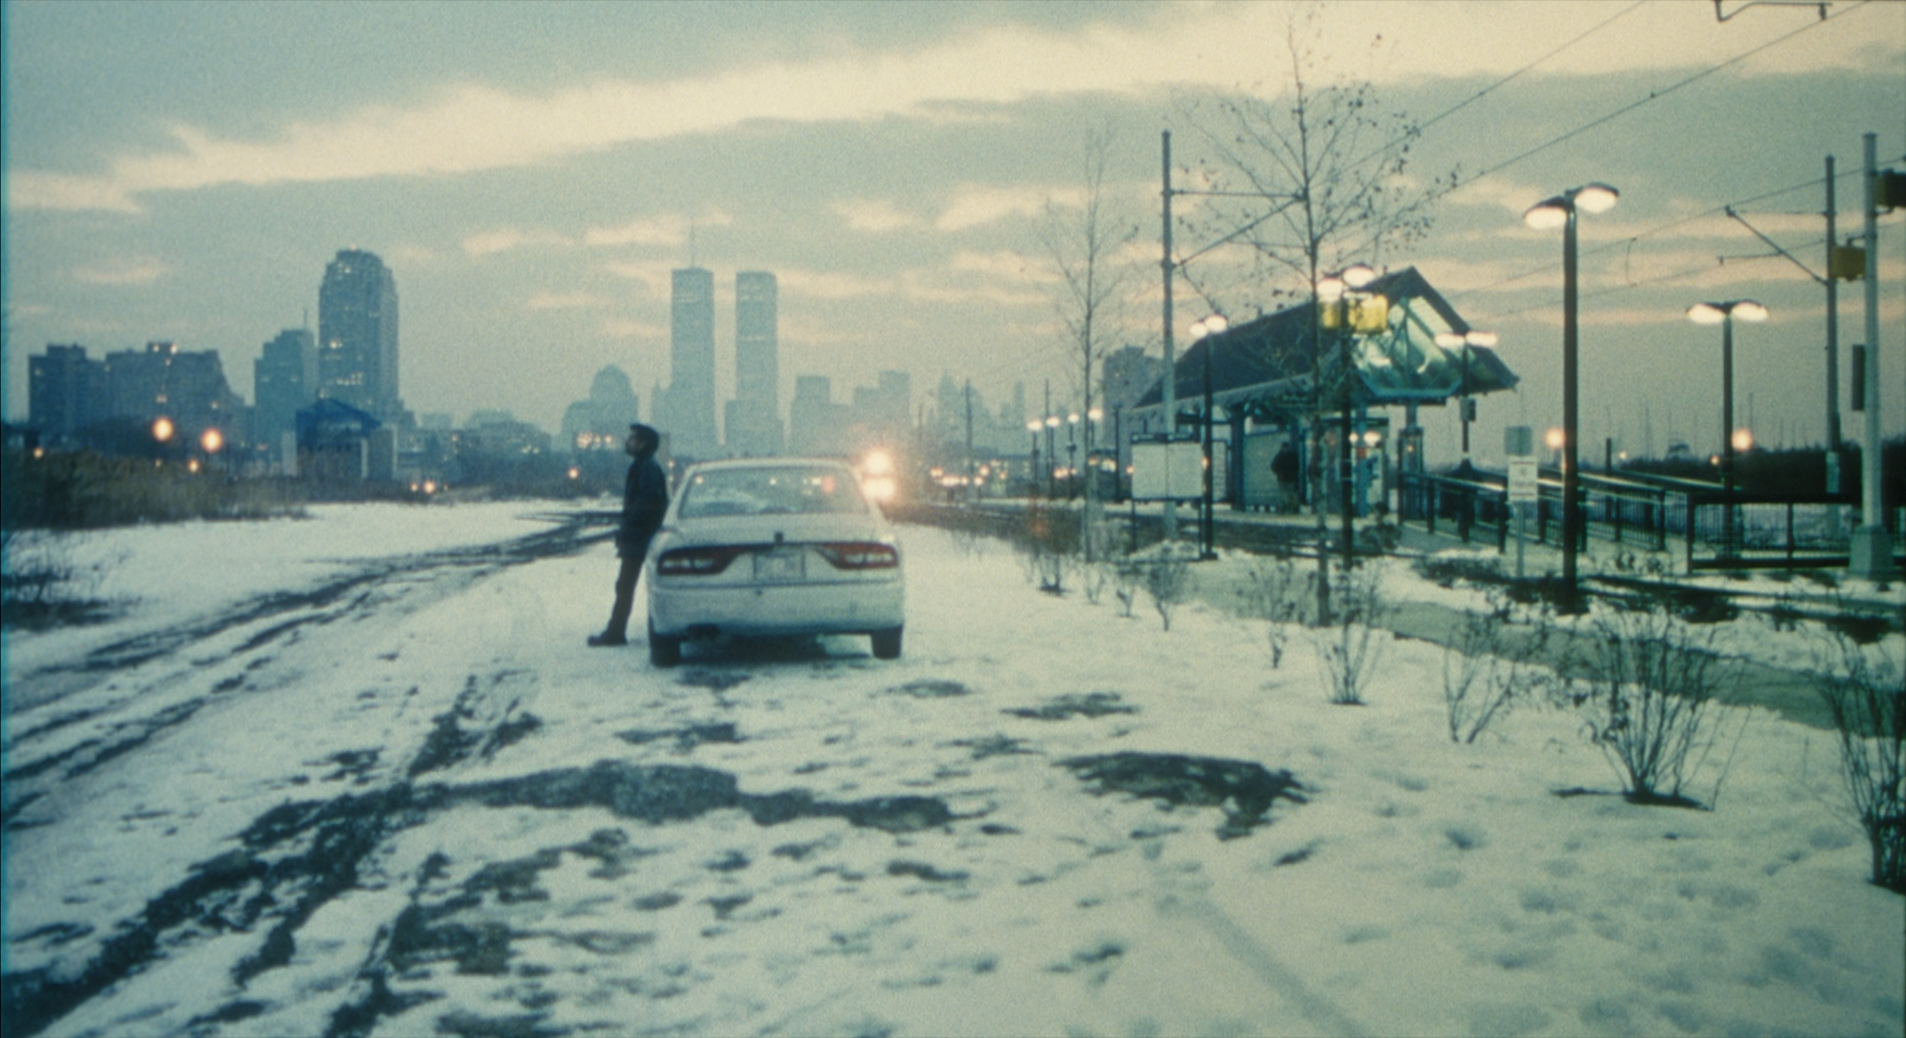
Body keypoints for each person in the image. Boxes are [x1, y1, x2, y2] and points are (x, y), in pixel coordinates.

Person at [589, 423, 669, 647]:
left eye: (633, 438)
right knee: (628, 586)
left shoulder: (646, 468)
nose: (628, 442)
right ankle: (618, 630)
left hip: (641, 537)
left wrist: (630, 529)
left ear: (643, 443)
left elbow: (644, 504)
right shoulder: (645, 466)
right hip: (643, 536)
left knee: (625, 586)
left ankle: (616, 632)